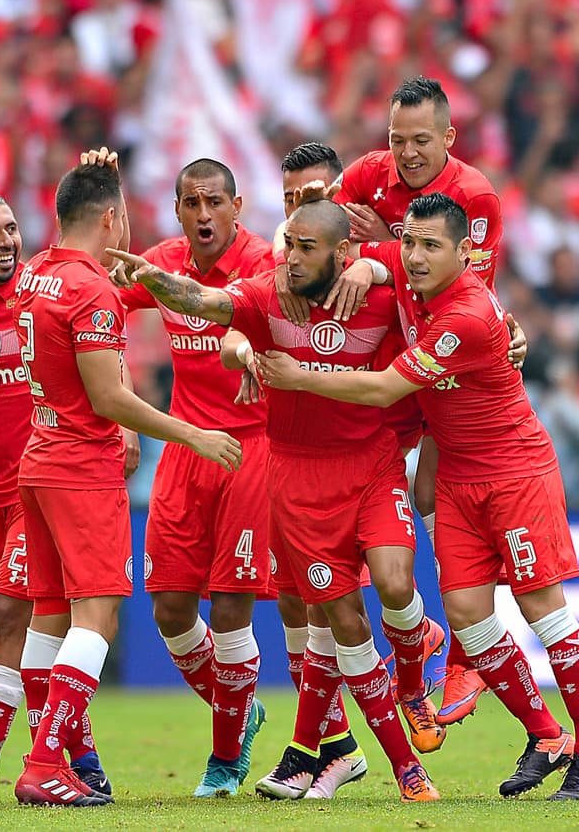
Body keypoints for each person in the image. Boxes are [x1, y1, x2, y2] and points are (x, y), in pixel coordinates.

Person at [258, 193, 579, 801]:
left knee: (544, 611)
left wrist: (296, 376)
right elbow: (298, 244)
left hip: (514, 471)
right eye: (411, 244)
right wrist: (360, 264)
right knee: (468, 620)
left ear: (467, 252)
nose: (417, 257)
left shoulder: (469, 316)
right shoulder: (403, 276)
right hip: (454, 476)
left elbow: (381, 389)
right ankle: (546, 734)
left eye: (432, 247)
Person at [107, 199, 443, 803]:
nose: (290, 257)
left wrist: (508, 330)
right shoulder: (267, 292)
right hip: (295, 479)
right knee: (340, 620)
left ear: (344, 254)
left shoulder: (380, 293)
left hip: (372, 467)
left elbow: (437, 285)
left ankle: (413, 661)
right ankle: (404, 767)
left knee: (394, 586)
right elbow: (210, 309)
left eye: (306, 247)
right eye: (289, 243)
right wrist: (157, 282)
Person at [12, 154, 242, 807]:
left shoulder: (35, 276)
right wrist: (190, 432)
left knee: (50, 616)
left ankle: (56, 759)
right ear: (111, 219)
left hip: (40, 456)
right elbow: (109, 399)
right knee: (97, 616)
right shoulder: (91, 291)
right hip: (83, 468)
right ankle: (43, 761)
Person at [280, 78, 505, 725]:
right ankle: (419, 644)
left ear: (449, 138)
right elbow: (310, 233)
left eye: (421, 141)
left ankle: (464, 651)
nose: (405, 153)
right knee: (355, 523)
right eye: (396, 139)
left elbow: (459, 286)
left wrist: (378, 254)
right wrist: (289, 259)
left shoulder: (475, 195)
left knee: (441, 497)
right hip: (392, 360)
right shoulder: (366, 174)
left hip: (450, 368)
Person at [0, 192, 115, 804]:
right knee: (30, 618)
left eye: (11, 229)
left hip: (48, 477)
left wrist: (129, 425)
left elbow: (101, 347)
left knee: (16, 614)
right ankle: (77, 760)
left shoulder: (39, 292)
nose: (7, 242)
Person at [115, 158, 275, 797]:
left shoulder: (264, 262)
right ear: (178, 210)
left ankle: (225, 756)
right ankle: (242, 710)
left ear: (237, 207)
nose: (203, 214)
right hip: (184, 449)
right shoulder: (164, 261)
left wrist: (245, 353)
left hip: (249, 449)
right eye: (191, 203)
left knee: (231, 607)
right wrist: (122, 404)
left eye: (214, 203)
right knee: (171, 609)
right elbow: (98, 301)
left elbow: (249, 330)